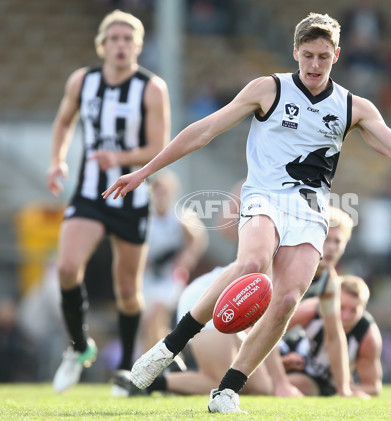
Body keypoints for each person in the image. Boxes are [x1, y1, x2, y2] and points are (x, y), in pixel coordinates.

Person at [103, 12, 391, 413]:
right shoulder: (268, 89)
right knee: (252, 261)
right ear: (295, 52)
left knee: (287, 299)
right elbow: (204, 130)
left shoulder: (352, 107)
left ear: (337, 55)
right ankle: (166, 349)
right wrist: (147, 171)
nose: (314, 65)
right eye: (307, 55)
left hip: (310, 210)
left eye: (323, 56)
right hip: (264, 195)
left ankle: (228, 390)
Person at [46, 10, 170, 394]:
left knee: (128, 292)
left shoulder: (151, 88)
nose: (121, 45)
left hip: (131, 198)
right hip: (89, 193)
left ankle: (129, 368)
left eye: (128, 39)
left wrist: (118, 159)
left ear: (138, 46)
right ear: (102, 44)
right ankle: (79, 348)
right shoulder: (83, 81)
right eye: (114, 38)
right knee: (66, 268)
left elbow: (158, 148)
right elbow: (64, 121)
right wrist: (57, 161)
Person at [114, 206, 356, 398]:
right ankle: (141, 383)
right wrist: (282, 383)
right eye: (328, 239)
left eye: (338, 241)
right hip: (205, 297)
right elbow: (261, 326)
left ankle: (164, 378)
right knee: (219, 380)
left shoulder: (329, 284)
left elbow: (335, 337)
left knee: (259, 387)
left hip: (237, 318)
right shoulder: (280, 265)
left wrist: (344, 388)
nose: (332, 247)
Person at [280, 275, 383, 397]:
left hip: (318, 382)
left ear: (363, 309)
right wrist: (281, 362)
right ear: (331, 302)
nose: (346, 317)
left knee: (302, 386)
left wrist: (348, 389)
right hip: (287, 353)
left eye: (353, 310)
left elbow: (373, 387)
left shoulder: (368, 337)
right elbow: (269, 331)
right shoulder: (311, 310)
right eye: (341, 308)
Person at [140, 170, 208, 352]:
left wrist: (184, 261)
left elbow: (198, 239)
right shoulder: (146, 217)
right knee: (153, 326)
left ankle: (147, 365)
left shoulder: (180, 216)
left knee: (154, 318)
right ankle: (171, 357)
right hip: (150, 276)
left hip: (170, 277)